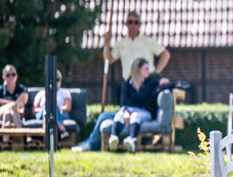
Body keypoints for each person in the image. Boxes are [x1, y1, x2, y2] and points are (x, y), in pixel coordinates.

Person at [77, 13, 170, 152]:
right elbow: (108, 59)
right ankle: (92, 143)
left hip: (144, 92)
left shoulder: (148, 42)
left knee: (122, 115)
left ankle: (105, 142)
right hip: (131, 87)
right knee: (104, 116)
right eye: (130, 22)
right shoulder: (121, 44)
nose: (133, 25)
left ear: (139, 24)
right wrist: (107, 43)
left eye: (136, 22)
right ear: (126, 24)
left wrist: (156, 72)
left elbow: (165, 54)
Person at [109, 58, 161, 153]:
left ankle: (131, 140)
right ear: (138, 69)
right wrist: (125, 112)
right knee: (119, 115)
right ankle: (113, 138)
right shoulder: (126, 85)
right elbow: (123, 103)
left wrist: (164, 82)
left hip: (144, 111)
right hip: (128, 109)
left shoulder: (152, 82)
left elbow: (156, 92)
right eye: (146, 68)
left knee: (135, 116)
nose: (148, 71)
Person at [32, 70, 77, 137]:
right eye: (52, 79)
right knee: (49, 107)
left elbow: (68, 108)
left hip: (61, 115)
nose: (55, 82)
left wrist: (55, 109)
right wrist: (46, 109)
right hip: (42, 114)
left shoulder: (65, 93)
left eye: (57, 79)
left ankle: (46, 128)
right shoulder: (41, 93)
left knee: (53, 106)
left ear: (60, 81)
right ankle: (62, 129)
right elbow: (34, 110)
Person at [1, 64, 29, 128]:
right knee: (12, 106)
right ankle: (22, 134)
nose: (11, 77)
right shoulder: (1, 90)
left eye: (13, 74)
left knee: (8, 113)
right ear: (4, 77)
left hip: (14, 114)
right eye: (8, 75)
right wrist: (12, 103)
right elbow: (16, 104)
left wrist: (5, 103)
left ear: (16, 76)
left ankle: (5, 138)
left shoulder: (22, 89)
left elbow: (20, 103)